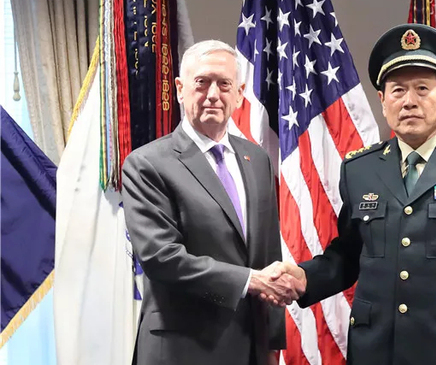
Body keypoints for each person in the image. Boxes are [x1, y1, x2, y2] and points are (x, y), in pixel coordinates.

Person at [270, 24, 436, 365]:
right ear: (382, 100)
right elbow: (348, 254)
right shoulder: (359, 169)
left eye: (422, 89)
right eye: (398, 90)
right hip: (376, 353)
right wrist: (305, 278)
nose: (409, 102)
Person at [122, 40, 303, 365]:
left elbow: (267, 254)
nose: (213, 94)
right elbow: (161, 258)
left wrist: (273, 342)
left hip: (252, 348)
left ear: (239, 93)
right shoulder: (146, 164)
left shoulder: (256, 159)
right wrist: (250, 281)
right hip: (183, 350)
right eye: (201, 82)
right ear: (180, 89)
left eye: (224, 84)